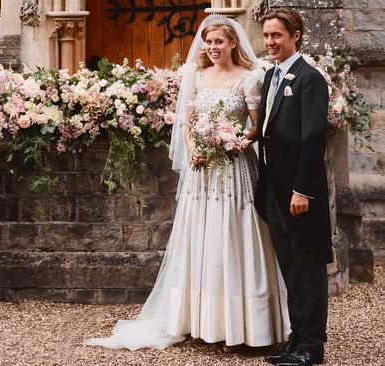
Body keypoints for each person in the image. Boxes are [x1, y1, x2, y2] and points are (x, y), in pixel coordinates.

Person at [84, 14, 289, 350]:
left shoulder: (250, 78)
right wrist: (195, 148)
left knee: (236, 236)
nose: (213, 48)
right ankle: (200, 319)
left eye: (219, 42)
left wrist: (233, 141)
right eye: (208, 42)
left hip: (234, 169)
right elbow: (186, 124)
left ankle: (247, 325)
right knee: (202, 236)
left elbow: (256, 126)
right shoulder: (195, 74)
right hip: (202, 172)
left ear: (233, 43)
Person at [256, 8, 332, 366]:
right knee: (290, 270)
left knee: (308, 269)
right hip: (275, 190)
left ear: (295, 35)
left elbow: (313, 139)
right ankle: (295, 341)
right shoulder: (272, 75)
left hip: (300, 195)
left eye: (277, 35)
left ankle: (311, 348)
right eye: (267, 35)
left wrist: (303, 190)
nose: (270, 42)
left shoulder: (309, 79)